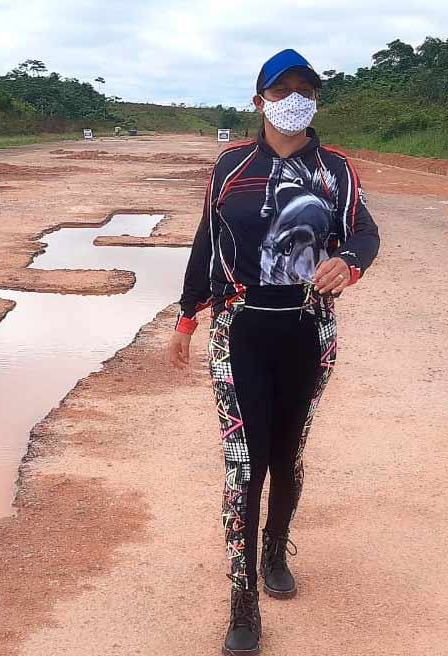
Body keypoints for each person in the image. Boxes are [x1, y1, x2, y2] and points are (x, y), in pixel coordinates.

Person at [167, 48, 380, 655]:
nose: (296, 97)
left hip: (309, 332)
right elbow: (206, 240)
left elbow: (364, 231)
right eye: (282, 87)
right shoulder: (231, 167)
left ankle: (275, 546)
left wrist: (350, 261)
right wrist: (186, 318)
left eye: (306, 88)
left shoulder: (336, 169)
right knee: (244, 463)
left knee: (287, 454)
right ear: (259, 98)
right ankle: (242, 605)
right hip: (239, 332)